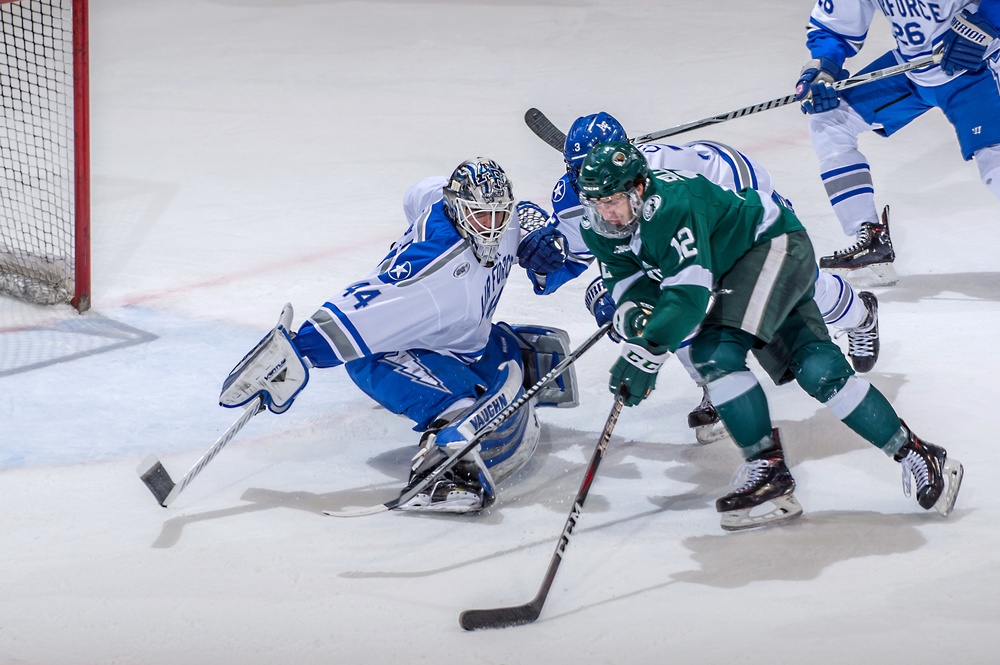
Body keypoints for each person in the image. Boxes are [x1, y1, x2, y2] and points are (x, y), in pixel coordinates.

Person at [575, 140, 963, 530]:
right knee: (818, 369)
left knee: (714, 352)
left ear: (639, 189)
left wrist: (649, 350)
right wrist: (636, 319)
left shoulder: (672, 206)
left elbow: (688, 298)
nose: (606, 213)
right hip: (750, 263)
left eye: (614, 201)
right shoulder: (600, 227)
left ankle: (768, 470)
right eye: (597, 203)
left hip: (771, 245)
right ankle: (918, 453)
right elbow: (630, 285)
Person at [217, 158, 580, 514]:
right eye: (481, 217)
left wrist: (532, 226)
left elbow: (418, 194)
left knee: (495, 352)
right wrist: (297, 352)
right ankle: (442, 473)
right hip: (385, 348)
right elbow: (356, 316)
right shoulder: (436, 270)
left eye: (499, 215)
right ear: (457, 210)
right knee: (460, 408)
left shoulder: (465, 206)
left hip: (450, 336)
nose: (491, 228)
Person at [515, 112, 881, 444]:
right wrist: (550, 255)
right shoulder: (575, 197)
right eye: (578, 172)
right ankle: (715, 388)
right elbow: (584, 254)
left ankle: (860, 314)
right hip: (680, 247)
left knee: (801, 291)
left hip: (740, 221)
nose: (590, 183)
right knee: (667, 310)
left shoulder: (667, 164)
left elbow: (740, 179)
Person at [794, 0, 1000, 278]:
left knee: (994, 163)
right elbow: (834, 25)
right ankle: (870, 241)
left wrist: (986, 21)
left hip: (978, 66)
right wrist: (823, 68)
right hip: (915, 69)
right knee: (831, 121)